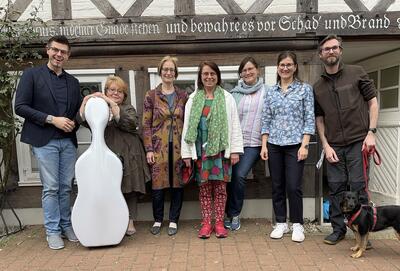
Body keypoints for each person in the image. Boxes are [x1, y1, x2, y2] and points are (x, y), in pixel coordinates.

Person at [15, 35, 82, 250]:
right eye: (55, 50)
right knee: (51, 188)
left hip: (68, 142)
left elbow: (77, 112)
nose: (59, 54)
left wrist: (75, 121)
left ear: (68, 56)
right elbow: (21, 107)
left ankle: (66, 225)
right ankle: (52, 231)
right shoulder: (32, 75)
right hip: (44, 141)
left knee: (65, 187)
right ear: (48, 50)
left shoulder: (73, 82)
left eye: (63, 52)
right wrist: (53, 120)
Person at [313, 34, 378, 245]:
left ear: (340, 50)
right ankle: (338, 229)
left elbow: (373, 102)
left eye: (334, 48)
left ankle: (363, 234)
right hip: (334, 146)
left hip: (358, 141)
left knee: (359, 188)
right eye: (326, 49)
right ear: (320, 55)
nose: (330, 52)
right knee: (336, 189)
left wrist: (371, 132)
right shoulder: (318, 86)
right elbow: (319, 118)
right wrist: (325, 144)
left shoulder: (357, 72)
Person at [78, 75, 151, 236]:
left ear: (124, 95)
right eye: (112, 90)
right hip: (105, 154)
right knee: (108, 188)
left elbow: (130, 123)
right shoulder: (97, 108)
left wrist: (109, 102)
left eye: (120, 91)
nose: (116, 93)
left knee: (129, 189)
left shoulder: (128, 108)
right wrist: (86, 101)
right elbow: (82, 120)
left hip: (128, 154)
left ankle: (130, 222)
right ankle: (111, 220)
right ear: (106, 90)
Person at [181, 61, 243, 239]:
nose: (209, 77)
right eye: (205, 74)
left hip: (221, 151)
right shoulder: (193, 99)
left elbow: (234, 125)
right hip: (201, 152)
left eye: (212, 74)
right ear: (200, 77)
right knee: (205, 189)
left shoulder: (226, 97)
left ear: (218, 76)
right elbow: (187, 128)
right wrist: (186, 154)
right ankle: (207, 223)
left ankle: (220, 223)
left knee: (221, 188)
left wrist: (235, 151)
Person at [260, 51, 315, 243]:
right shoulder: (270, 91)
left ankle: (297, 224)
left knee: (293, 186)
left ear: (295, 67)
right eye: (282, 65)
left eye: (289, 64)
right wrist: (264, 145)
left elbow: (309, 118)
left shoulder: (304, 89)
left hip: (295, 145)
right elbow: (266, 119)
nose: (285, 68)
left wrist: (305, 145)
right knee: (277, 186)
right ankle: (281, 223)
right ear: (277, 68)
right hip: (274, 144)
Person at [142, 56, 188, 236]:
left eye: (171, 70)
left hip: (178, 147)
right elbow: (146, 124)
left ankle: (174, 220)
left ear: (175, 73)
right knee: (158, 186)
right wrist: (149, 149)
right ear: (160, 72)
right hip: (158, 147)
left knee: (177, 184)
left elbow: (187, 121)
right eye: (165, 69)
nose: (168, 72)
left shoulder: (182, 95)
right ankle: (158, 219)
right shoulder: (151, 95)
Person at [225, 56, 267, 231]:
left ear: (257, 70)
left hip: (254, 143)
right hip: (234, 142)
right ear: (240, 74)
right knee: (225, 176)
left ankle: (234, 213)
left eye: (250, 69)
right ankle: (224, 212)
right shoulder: (234, 93)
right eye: (244, 70)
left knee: (240, 175)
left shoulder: (267, 92)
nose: (247, 72)